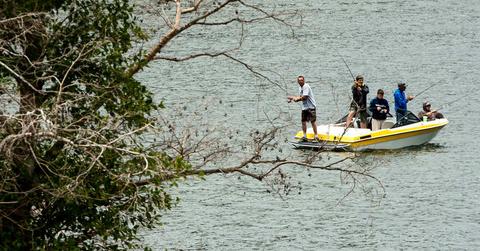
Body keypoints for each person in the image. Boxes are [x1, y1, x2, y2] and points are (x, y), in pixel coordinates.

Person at [287, 76, 319, 141]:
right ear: (298, 81)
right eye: (299, 80)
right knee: (303, 121)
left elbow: (305, 97)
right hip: (304, 107)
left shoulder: (306, 86)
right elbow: (300, 96)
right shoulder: (300, 88)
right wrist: (293, 98)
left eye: (302, 80)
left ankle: (316, 136)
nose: (301, 81)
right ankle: (304, 136)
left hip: (311, 107)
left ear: (304, 81)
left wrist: (297, 100)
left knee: (313, 121)